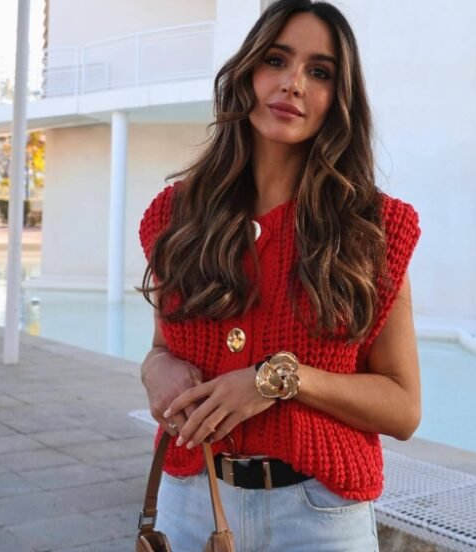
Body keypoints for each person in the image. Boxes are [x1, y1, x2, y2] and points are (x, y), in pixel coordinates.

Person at [138, 1, 421, 550]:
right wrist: (155, 372)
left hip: (318, 518)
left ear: (337, 101)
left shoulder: (376, 229)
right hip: (192, 500)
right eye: (276, 59)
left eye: (319, 72)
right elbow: (159, 349)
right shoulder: (176, 217)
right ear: (247, 73)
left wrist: (279, 380)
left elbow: (404, 407)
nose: (293, 84)